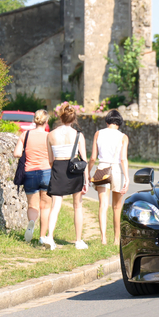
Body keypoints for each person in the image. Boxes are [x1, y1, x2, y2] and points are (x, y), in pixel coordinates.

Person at [46, 104, 89, 250]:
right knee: (77, 206)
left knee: (55, 206)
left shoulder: (50, 135)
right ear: (74, 118)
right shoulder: (78, 135)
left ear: (60, 116)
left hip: (58, 168)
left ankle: (50, 238)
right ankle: (78, 241)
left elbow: (50, 160)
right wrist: (87, 181)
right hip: (74, 170)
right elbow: (84, 159)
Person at [88, 109, 130, 245]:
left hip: (102, 169)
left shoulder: (98, 134)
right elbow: (123, 159)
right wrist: (127, 178)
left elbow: (93, 157)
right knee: (117, 207)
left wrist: (88, 172)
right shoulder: (123, 137)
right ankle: (117, 239)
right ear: (119, 123)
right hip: (116, 169)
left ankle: (103, 238)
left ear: (107, 121)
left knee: (103, 205)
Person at [13, 109, 52, 246]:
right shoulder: (49, 136)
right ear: (46, 121)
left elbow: (17, 153)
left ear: (34, 120)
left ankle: (31, 223)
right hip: (46, 172)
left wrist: (27, 151)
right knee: (45, 207)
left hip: (29, 173)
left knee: (32, 205)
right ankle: (42, 237)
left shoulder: (26, 134)